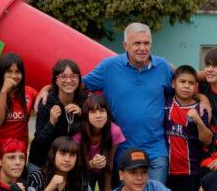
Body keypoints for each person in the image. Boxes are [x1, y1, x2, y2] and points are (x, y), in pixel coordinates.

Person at [74, 23, 177, 182]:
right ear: (125, 45)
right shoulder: (108, 67)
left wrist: (202, 98)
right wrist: (48, 89)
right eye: (137, 43)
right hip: (121, 148)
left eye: (146, 43)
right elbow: (78, 85)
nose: (142, 48)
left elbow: (184, 84)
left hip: (156, 149)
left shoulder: (162, 66)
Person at [164, 66, 212, 191]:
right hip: (167, 171)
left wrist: (198, 121)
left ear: (196, 86)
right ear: (173, 83)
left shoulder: (200, 109)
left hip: (191, 172)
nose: (186, 86)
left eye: (191, 83)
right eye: (182, 82)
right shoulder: (165, 102)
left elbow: (207, 140)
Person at [29, 59, 86, 168]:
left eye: (73, 76)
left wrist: (82, 114)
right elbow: (38, 143)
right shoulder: (46, 103)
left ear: (79, 79)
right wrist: (51, 123)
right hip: (42, 163)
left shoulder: (84, 101)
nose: (68, 81)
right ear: (56, 80)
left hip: (70, 163)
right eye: (63, 77)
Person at [74, 94, 125, 191]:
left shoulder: (114, 131)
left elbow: (110, 160)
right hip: (83, 171)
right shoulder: (79, 132)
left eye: (102, 111)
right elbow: (77, 164)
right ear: (86, 114)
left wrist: (107, 189)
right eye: (93, 112)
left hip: (106, 171)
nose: (98, 116)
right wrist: (91, 164)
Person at [0, 53, 37, 158]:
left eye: (18, 72)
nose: (14, 76)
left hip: (18, 157)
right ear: (1, 73)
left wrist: (45, 89)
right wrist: (4, 91)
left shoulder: (29, 92)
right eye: (9, 71)